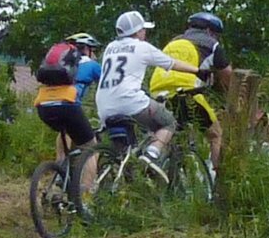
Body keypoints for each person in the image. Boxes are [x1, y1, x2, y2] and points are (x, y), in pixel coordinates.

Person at [95, 10, 200, 183]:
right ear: (137, 31)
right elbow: (171, 63)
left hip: (104, 106)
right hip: (130, 103)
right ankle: (152, 155)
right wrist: (198, 71)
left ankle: (125, 185)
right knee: (168, 122)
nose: (145, 32)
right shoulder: (142, 47)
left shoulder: (110, 48)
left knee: (125, 155)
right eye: (143, 29)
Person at [148, 11, 233, 171]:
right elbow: (227, 75)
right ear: (209, 31)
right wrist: (229, 97)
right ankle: (219, 184)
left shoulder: (173, 42)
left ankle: (161, 171)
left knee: (171, 133)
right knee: (216, 134)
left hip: (157, 94)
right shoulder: (211, 44)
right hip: (185, 93)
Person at [34, 33, 102, 163]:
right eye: (93, 50)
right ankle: (88, 184)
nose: (94, 55)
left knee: (65, 131)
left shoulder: (61, 64)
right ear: (87, 49)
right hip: (68, 106)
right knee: (91, 148)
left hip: (43, 105)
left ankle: (60, 167)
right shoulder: (92, 65)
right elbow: (107, 85)